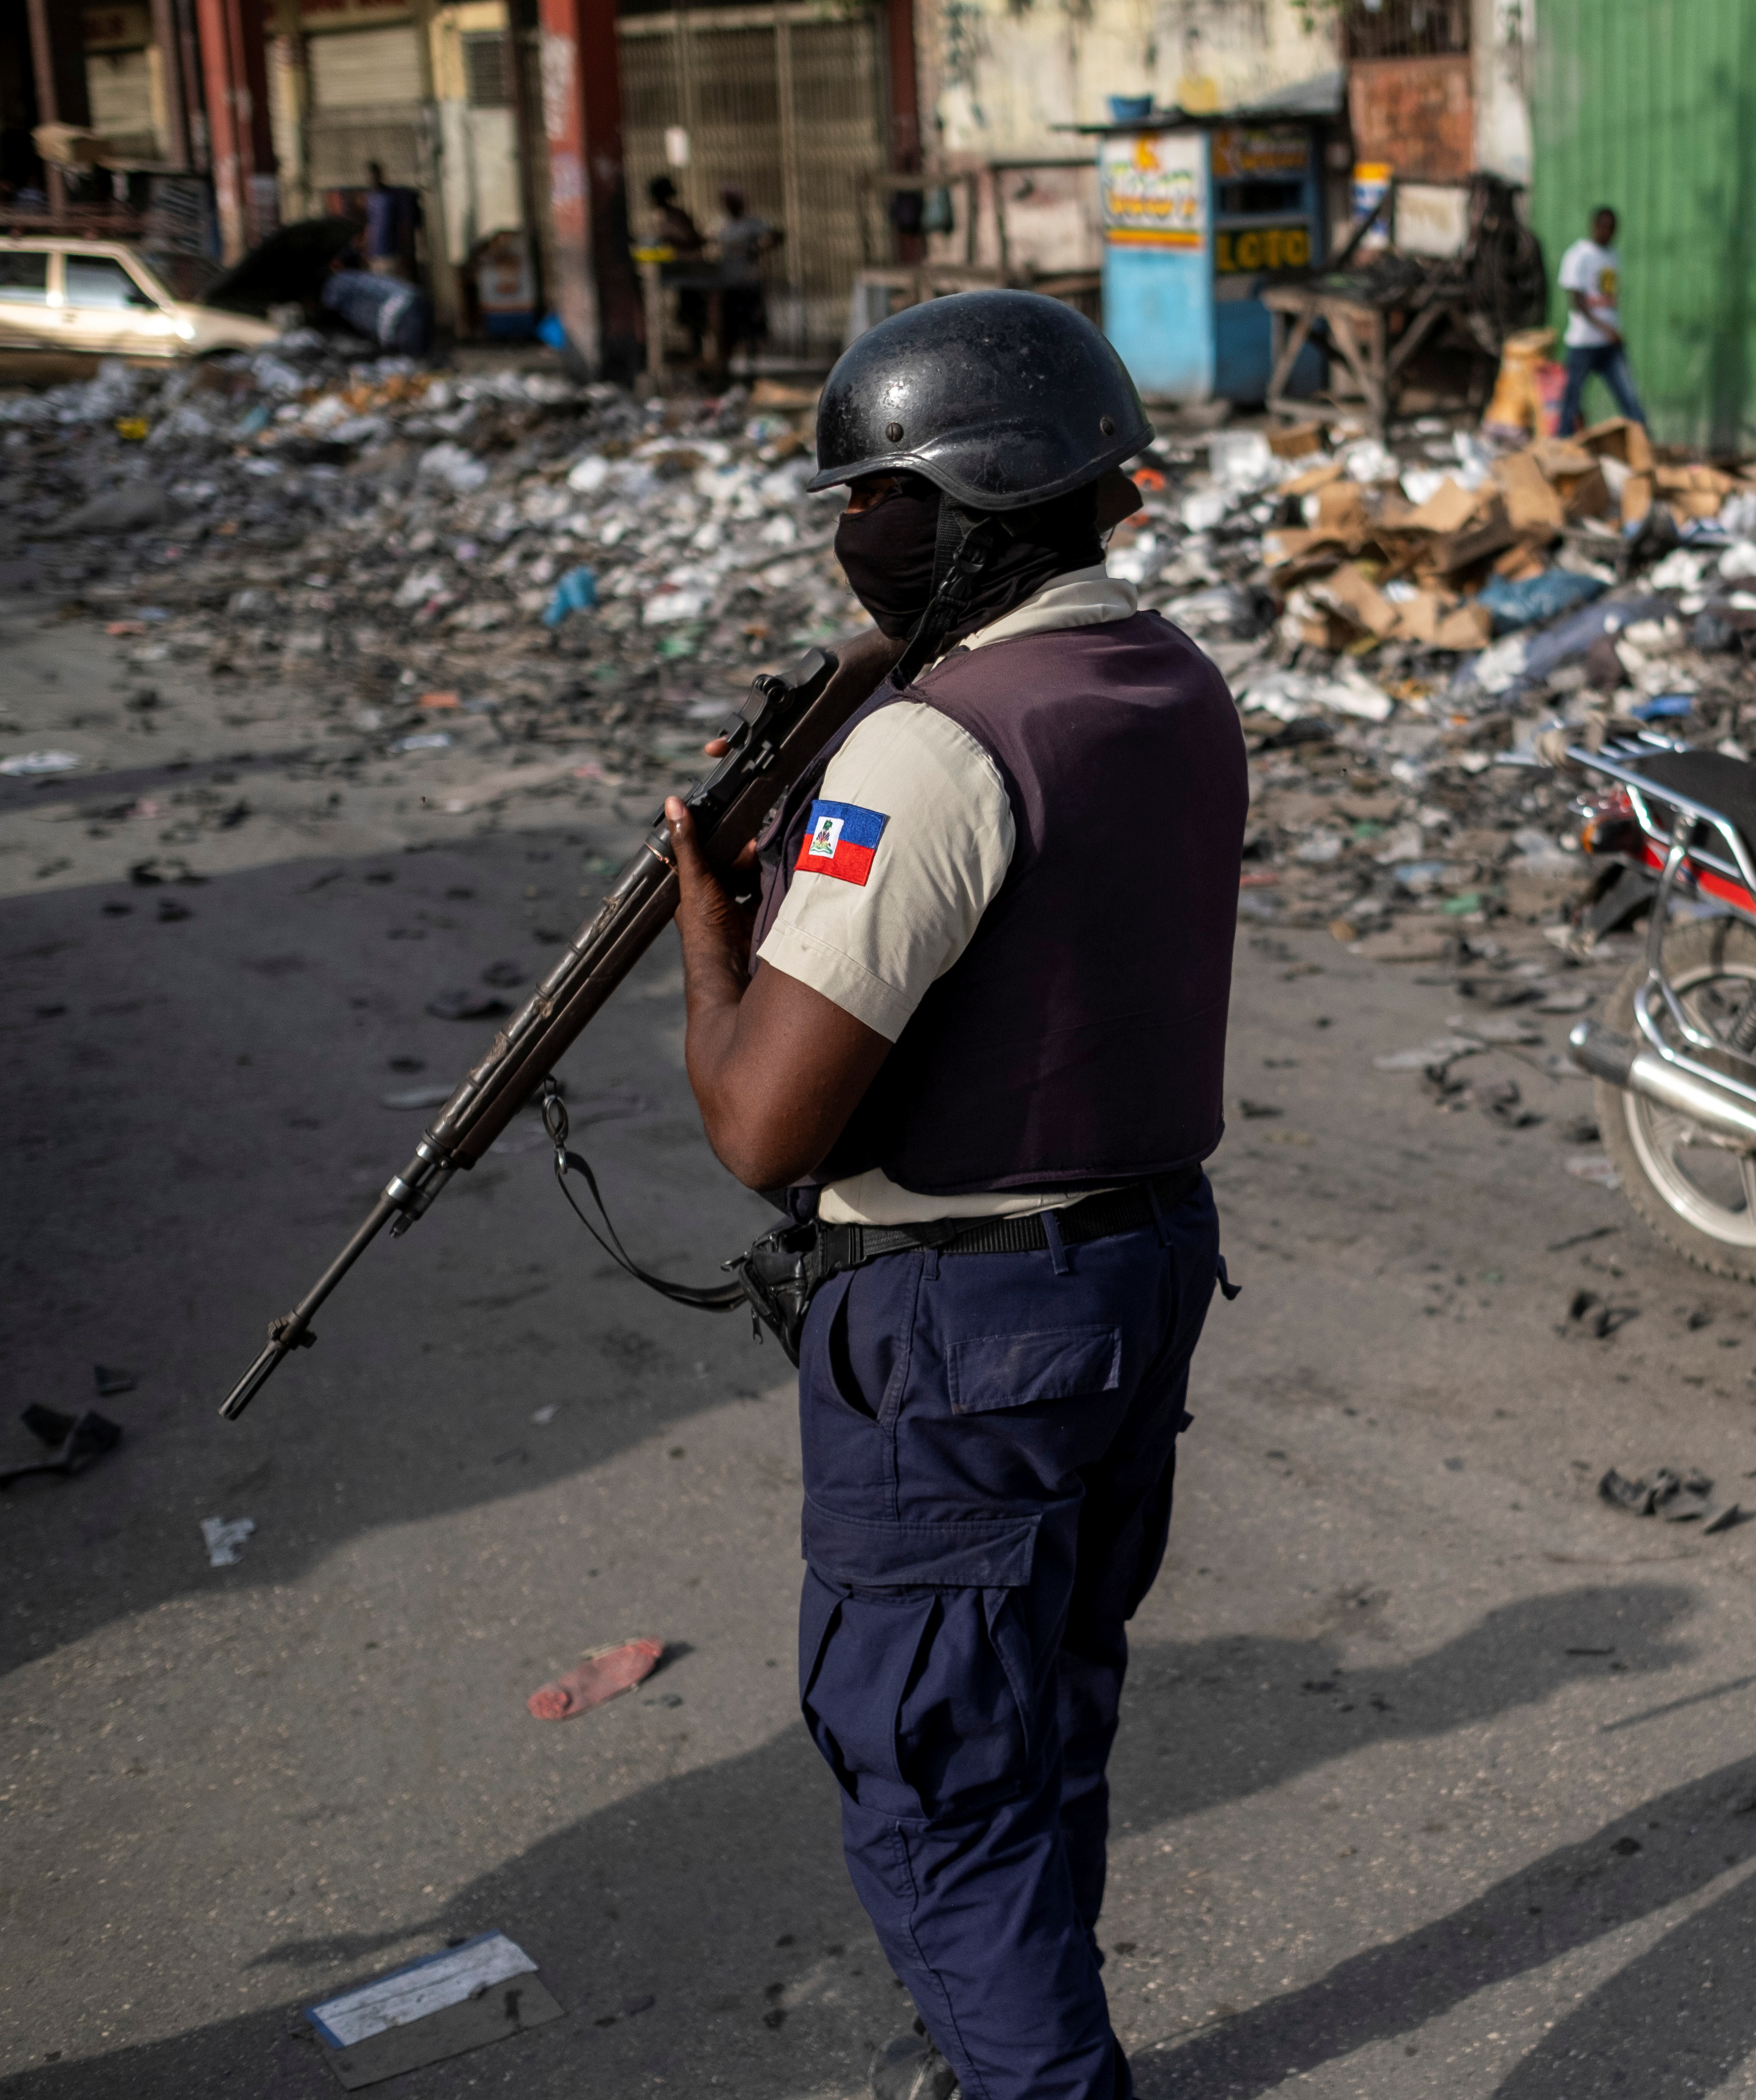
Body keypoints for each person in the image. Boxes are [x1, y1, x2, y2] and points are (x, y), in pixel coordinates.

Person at [659, 289, 1245, 2100]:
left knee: (933, 1776)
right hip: (1139, 1273)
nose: (853, 539)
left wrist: (710, 939)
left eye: (873, 499)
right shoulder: (1167, 682)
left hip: (964, 1325)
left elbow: (764, 1126)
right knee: (1045, 1723)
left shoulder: (933, 746)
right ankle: (1012, 2049)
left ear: (971, 501)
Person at [1553, 204, 1643, 435]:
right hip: (1583, 342)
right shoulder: (1579, 255)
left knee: (1630, 400)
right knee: (1571, 403)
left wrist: (1613, 331)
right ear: (1594, 227)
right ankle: (1562, 447)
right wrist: (1605, 328)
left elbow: (1608, 298)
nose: (1608, 232)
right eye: (1604, 227)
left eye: (1612, 228)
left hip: (1609, 346)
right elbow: (1577, 302)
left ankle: (1645, 447)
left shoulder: (1613, 256)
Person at [710, 185, 782, 382]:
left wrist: (760, 245)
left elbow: (776, 236)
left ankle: (753, 372)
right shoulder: (721, 225)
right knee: (729, 333)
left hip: (749, 284)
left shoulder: (753, 224)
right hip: (729, 285)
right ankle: (727, 374)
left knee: (752, 331)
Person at [645, 175, 711, 365]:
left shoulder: (675, 215)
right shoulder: (663, 216)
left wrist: (674, 242)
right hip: (683, 270)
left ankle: (698, 356)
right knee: (689, 315)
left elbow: (692, 240)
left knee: (695, 316)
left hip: (692, 270)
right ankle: (694, 355)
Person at [321, 250, 431, 357]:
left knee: (414, 359)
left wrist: (385, 339)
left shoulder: (337, 282)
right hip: (414, 300)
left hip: (401, 309)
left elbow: (332, 304)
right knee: (421, 357)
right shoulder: (352, 277)